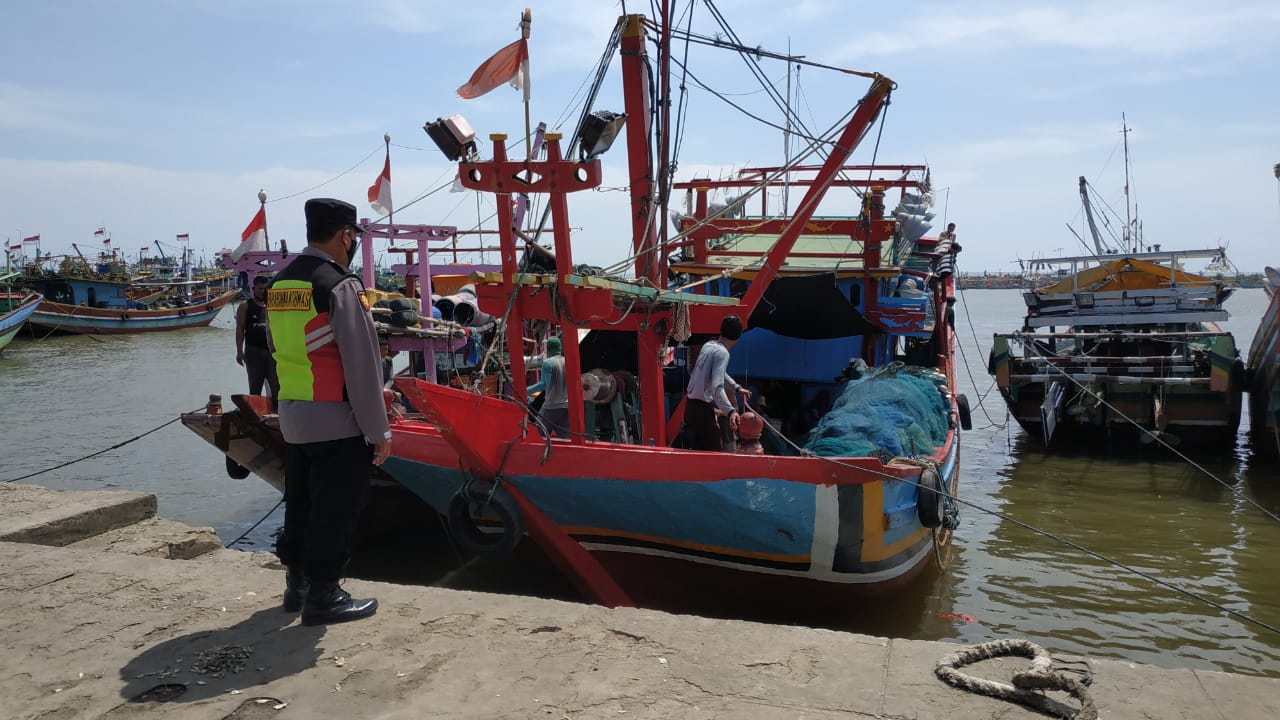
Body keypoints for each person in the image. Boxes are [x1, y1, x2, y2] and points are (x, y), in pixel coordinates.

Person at [267, 198, 391, 626]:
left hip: (293, 414)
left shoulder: (280, 283)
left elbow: (275, 350)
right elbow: (362, 364)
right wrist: (379, 431)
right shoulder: (339, 285)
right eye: (353, 237)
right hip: (337, 418)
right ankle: (324, 596)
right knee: (335, 509)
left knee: (299, 503)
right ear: (345, 235)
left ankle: (296, 586)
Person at [684, 315, 752, 451]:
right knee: (713, 453)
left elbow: (719, 374)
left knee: (697, 451)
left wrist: (736, 388)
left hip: (690, 408)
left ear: (721, 330)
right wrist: (731, 411)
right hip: (702, 411)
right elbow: (717, 386)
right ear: (739, 336)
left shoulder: (708, 345)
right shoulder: (723, 353)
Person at [236, 274, 279, 397]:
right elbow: (240, 330)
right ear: (253, 289)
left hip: (272, 351)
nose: (263, 292)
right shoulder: (245, 306)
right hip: (254, 351)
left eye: (265, 289)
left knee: (276, 386)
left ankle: (276, 408)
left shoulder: (274, 305)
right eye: (260, 289)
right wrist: (239, 352)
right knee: (255, 387)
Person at [528, 336, 569, 438]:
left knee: (537, 435)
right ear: (560, 347)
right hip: (566, 406)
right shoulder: (568, 361)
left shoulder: (548, 363)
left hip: (551, 406)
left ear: (548, 348)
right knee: (565, 439)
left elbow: (543, 385)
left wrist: (526, 391)